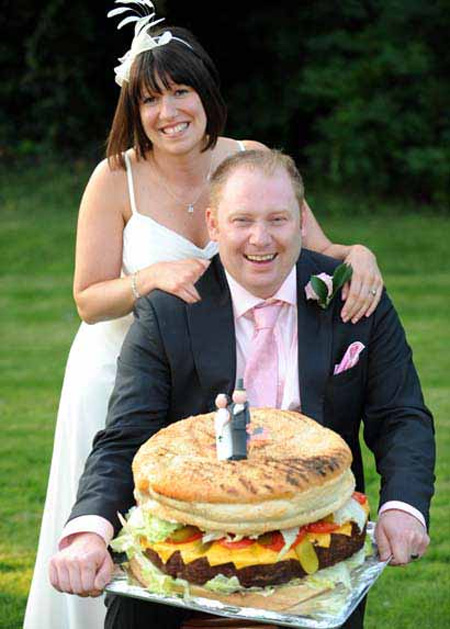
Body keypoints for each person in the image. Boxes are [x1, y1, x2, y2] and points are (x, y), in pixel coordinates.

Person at [23, 5, 384, 627]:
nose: (168, 113)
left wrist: (360, 255)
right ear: (133, 111)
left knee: (204, 523)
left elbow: (313, 249)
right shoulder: (115, 179)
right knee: (105, 521)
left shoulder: (249, 156)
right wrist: (148, 279)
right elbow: (86, 298)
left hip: (207, 377)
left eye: (180, 91)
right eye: (150, 100)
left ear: (205, 93)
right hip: (115, 372)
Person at [49, 149, 435, 629]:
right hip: (185, 552)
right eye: (242, 220)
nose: (261, 239)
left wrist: (404, 508)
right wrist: (88, 531)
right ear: (212, 224)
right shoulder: (167, 312)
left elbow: (401, 416)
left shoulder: (353, 298)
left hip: (317, 548)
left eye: (278, 219)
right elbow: (127, 436)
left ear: (300, 221)